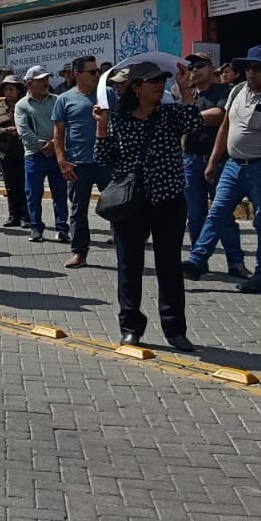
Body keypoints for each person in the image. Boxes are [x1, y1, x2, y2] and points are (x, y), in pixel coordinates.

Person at [94, 63, 201, 351]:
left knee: (169, 267)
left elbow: (194, 124)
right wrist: (101, 126)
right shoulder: (118, 118)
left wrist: (186, 89)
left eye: (161, 81)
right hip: (132, 203)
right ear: (136, 88)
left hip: (168, 200)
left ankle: (175, 329)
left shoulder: (169, 114)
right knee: (130, 266)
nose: (158, 85)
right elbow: (104, 157)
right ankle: (130, 327)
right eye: (151, 81)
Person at [182, 45, 261, 292]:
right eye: (247, 68)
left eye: (256, 68)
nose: (250, 73)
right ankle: (196, 260)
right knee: (217, 212)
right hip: (232, 164)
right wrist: (214, 161)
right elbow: (224, 127)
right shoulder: (237, 90)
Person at [52, 56, 108, 268]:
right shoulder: (64, 99)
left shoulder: (107, 95)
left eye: (97, 72)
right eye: (92, 72)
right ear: (77, 74)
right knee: (78, 210)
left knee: (119, 204)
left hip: (105, 161)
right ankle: (79, 253)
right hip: (78, 163)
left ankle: (125, 247)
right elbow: (58, 133)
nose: (96, 75)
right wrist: (62, 161)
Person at [180, 53, 230, 250]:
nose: (194, 70)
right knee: (194, 214)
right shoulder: (187, 94)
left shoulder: (224, 90)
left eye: (199, 66)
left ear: (211, 68)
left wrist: (191, 116)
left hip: (217, 161)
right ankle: (197, 258)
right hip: (190, 161)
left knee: (222, 213)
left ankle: (235, 261)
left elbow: (219, 115)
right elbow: (180, 121)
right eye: (190, 67)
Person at [14, 66, 68, 243]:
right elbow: (23, 130)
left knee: (59, 192)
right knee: (33, 192)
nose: (46, 82)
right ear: (29, 83)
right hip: (34, 155)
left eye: (47, 78)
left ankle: (62, 228)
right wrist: (41, 144)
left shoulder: (58, 100)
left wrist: (54, 144)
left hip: (56, 153)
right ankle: (36, 227)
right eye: (41, 80)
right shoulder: (22, 105)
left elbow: (65, 125)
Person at [0, 77, 29, 228]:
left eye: (11, 89)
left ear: (18, 90)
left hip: (24, 151)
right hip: (4, 153)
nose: (8, 92)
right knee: (10, 185)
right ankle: (13, 215)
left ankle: (26, 216)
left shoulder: (26, 106)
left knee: (24, 184)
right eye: (6, 89)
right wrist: (5, 130)